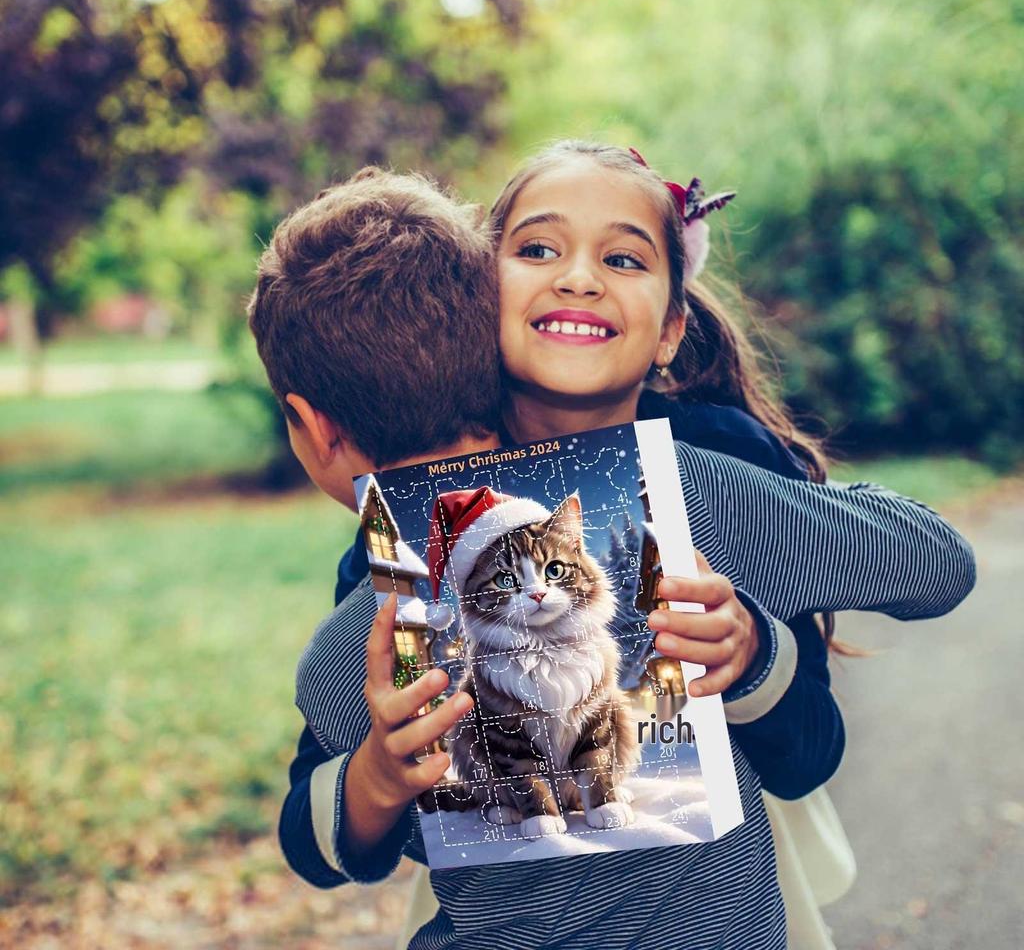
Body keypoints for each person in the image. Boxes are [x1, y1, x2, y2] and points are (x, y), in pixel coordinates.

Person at [250, 160, 976, 949]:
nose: (580, 279)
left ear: (671, 326)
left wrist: (752, 650)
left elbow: (815, 745)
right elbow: (317, 825)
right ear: (479, 300)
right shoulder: (395, 552)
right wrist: (379, 780)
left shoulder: (708, 467)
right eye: (536, 250)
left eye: (624, 258)